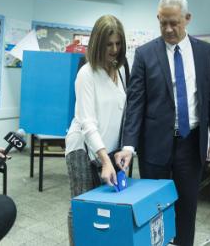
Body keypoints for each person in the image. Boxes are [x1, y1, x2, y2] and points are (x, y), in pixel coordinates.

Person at [115, 0, 210, 246]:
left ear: (187, 19)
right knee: (153, 209)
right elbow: (135, 103)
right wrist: (129, 145)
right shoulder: (145, 54)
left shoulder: (206, 53)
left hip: (191, 142)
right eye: (162, 22)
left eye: (174, 22)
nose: (168, 28)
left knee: (186, 208)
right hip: (154, 145)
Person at [65, 15, 127, 246]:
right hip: (82, 148)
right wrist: (104, 160)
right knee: (81, 206)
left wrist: (121, 152)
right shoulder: (87, 73)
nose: (113, 49)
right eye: (108, 44)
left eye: (117, 43)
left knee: (104, 208)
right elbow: (87, 122)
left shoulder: (119, 72)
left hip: (108, 149)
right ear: (97, 43)